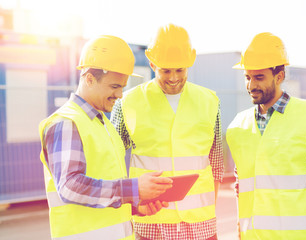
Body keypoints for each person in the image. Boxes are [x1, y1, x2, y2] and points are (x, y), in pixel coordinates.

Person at [39, 35, 173, 240]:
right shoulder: (66, 123)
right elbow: (69, 187)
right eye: (114, 86)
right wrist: (134, 187)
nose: (120, 95)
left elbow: (107, 191)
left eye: (122, 87)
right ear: (89, 79)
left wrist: (135, 206)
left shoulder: (104, 125)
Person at [111, 23, 224, 240]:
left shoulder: (210, 101)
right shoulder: (127, 102)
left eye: (179, 70)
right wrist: (132, 206)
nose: (173, 78)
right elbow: (113, 161)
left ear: (190, 63)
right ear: (152, 63)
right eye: (166, 70)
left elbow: (216, 162)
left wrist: (208, 210)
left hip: (201, 223)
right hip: (151, 222)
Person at [226, 32, 306, 240]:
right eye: (247, 77)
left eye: (259, 77)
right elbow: (241, 185)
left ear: (280, 76)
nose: (251, 85)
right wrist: (239, 228)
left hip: (300, 236)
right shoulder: (238, 125)